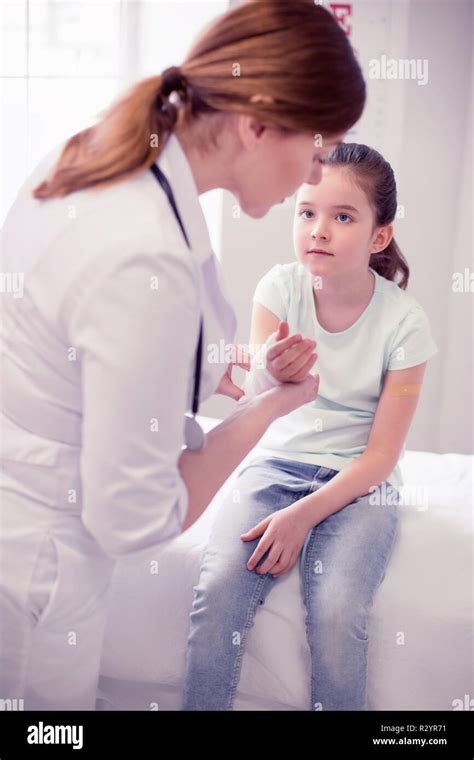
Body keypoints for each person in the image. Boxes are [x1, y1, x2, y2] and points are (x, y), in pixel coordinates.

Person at [0, 1, 365, 711]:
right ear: (258, 123)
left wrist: (237, 374)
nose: (314, 182)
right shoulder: (146, 253)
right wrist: (268, 408)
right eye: (319, 155)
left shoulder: (107, 156)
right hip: (36, 564)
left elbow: (100, 355)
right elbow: (135, 519)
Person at [181, 142, 439, 711]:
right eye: (307, 212)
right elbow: (254, 402)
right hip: (274, 464)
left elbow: (380, 457)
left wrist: (300, 517)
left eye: (342, 216)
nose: (318, 229)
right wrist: (265, 375)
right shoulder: (279, 289)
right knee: (219, 589)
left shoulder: (405, 323)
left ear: (379, 236)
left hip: (359, 483)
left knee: (338, 610)